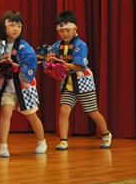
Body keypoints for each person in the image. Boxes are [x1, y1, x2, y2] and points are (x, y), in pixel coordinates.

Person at [46, 11, 111, 150]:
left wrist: (60, 63)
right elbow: (52, 63)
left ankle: (106, 134)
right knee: (64, 110)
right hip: (68, 84)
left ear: (75, 29)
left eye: (68, 30)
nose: (65, 34)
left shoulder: (81, 45)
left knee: (92, 111)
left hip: (84, 82)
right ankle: (64, 140)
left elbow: (79, 65)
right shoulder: (57, 46)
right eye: (61, 31)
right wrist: (48, 61)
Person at [0, 10, 46, 157]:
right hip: (7, 86)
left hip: (24, 87)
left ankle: (42, 141)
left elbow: (31, 65)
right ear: (4, 28)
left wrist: (15, 65)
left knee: (31, 115)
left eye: (19, 26)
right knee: (6, 112)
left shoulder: (25, 46)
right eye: (12, 25)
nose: (16, 29)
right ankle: (3, 146)